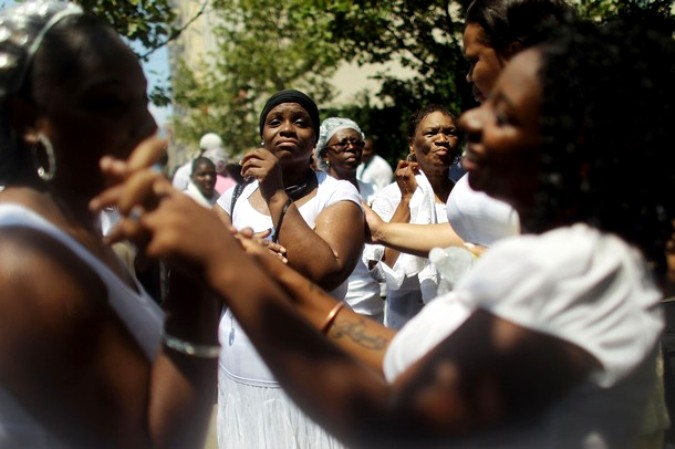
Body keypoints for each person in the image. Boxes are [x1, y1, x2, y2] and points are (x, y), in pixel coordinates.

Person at [95, 13, 675, 448]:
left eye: (504, 115)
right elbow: (403, 356)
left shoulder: (577, 274)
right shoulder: (543, 256)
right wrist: (273, 274)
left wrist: (223, 267)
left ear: (574, 155)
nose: (468, 119)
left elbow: (396, 420)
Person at [0, 1, 220, 448]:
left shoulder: (78, 238)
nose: (147, 127)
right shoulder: (21, 262)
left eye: (144, 102)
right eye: (111, 103)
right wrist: (194, 277)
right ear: (29, 122)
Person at [211, 90, 364, 449]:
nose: (287, 129)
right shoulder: (231, 199)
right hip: (242, 368)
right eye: (275, 121)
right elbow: (202, 262)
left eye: (301, 121)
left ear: (315, 138)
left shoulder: (338, 195)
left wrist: (276, 192)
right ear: (261, 135)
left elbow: (324, 271)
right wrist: (239, 254)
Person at [364, 105, 461, 329]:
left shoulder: (465, 196)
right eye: (431, 132)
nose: (442, 139)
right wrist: (407, 200)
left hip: (459, 315)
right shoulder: (390, 196)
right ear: (412, 144)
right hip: (409, 317)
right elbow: (380, 268)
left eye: (450, 132)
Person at [315, 117, 383, 323]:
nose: (351, 147)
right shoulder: (318, 193)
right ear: (325, 153)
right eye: (343, 143)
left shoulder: (375, 191)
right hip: (333, 300)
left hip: (372, 298)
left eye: (357, 143)